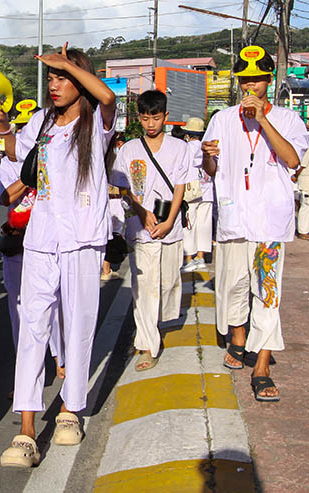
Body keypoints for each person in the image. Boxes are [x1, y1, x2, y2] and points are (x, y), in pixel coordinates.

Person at [0, 43, 116, 467]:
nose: (56, 83)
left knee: (78, 324)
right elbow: (15, 154)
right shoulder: (42, 122)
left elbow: (108, 97)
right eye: (52, 77)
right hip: (41, 238)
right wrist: (5, 126)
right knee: (33, 326)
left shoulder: (95, 122)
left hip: (82, 238)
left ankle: (70, 410)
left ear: (80, 78)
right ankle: (26, 430)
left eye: (63, 76)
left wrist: (69, 64)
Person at [201, 45, 309, 402]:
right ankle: (237, 336)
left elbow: (292, 160)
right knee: (232, 287)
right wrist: (208, 158)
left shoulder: (289, 119)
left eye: (258, 80)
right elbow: (211, 170)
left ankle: (261, 364)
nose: (251, 87)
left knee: (267, 293)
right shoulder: (222, 119)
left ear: (269, 80)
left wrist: (263, 119)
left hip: (269, 224)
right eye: (245, 80)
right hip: (234, 221)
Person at [111, 90, 189, 371]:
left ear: (165, 117)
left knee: (167, 285)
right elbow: (122, 186)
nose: (151, 124)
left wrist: (170, 220)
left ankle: (151, 328)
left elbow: (180, 185)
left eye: (155, 117)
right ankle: (147, 345)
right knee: (145, 288)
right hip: (139, 227)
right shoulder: (129, 149)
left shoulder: (180, 148)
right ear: (138, 119)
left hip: (170, 225)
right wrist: (140, 211)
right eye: (145, 118)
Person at [0, 117, 64, 389]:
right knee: (20, 311)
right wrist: (31, 175)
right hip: (18, 244)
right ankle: (25, 371)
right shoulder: (11, 164)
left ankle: (60, 357)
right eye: (22, 129)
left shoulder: (60, 163)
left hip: (50, 245)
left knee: (56, 307)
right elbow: (5, 198)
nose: (26, 135)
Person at [181, 117, 214, 272]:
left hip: (190, 191)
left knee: (189, 224)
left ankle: (188, 258)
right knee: (204, 225)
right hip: (207, 190)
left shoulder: (185, 148)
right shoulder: (207, 148)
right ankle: (200, 257)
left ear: (187, 133)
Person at [102, 132, 126, 280]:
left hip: (103, 201)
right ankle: (106, 269)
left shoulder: (100, 157)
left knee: (105, 233)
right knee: (112, 234)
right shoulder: (115, 159)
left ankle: (105, 268)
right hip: (115, 200)